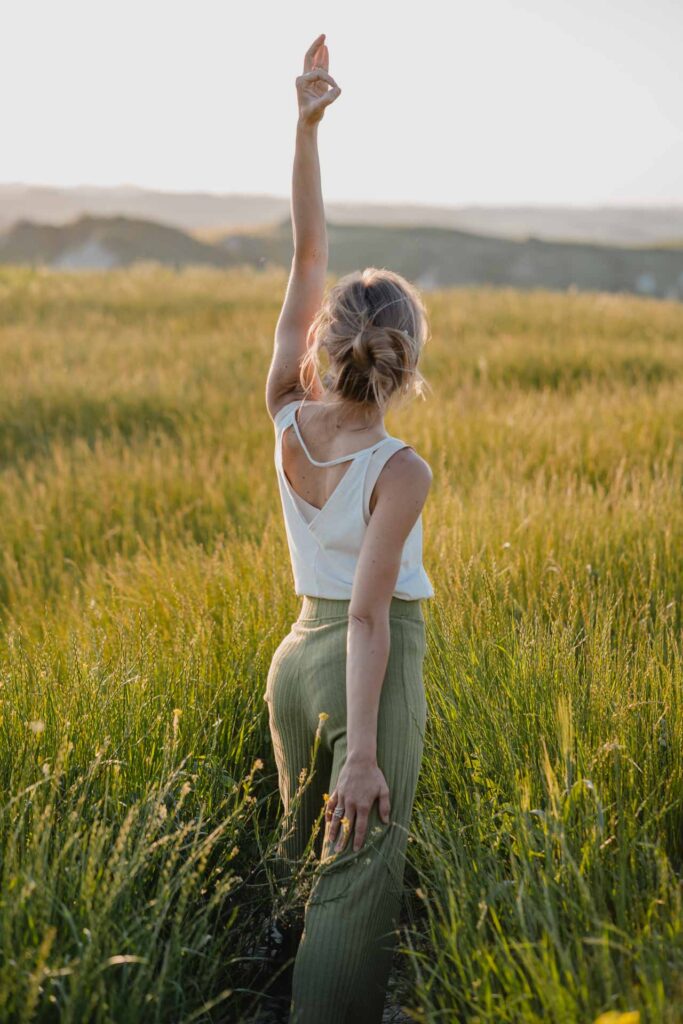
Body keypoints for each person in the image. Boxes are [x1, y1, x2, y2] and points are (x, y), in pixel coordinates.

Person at [263, 32, 435, 1024]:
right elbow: (371, 620)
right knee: (356, 867)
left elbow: (306, 252)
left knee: (296, 849)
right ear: (403, 365)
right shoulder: (398, 468)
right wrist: (365, 750)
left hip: (291, 659)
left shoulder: (286, 411)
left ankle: (258, 981)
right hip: (366, 664)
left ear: (323, 348)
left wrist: (304, 123)